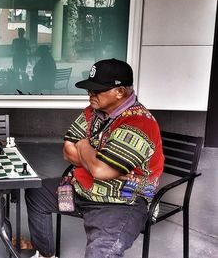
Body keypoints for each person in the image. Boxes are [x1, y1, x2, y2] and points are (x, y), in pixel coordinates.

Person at [25, 58, 164, 258]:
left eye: (96, 90)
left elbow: (100, 170)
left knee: (101, 253)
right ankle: (46, 254)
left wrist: (83, 145)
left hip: (121, 201)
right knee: (36, 193)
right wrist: (95, 160)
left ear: (120, 92)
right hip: (81, 189)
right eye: (89, 89)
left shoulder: (139, 122)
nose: (90, 94)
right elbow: (68, 151)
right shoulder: (93, 111)